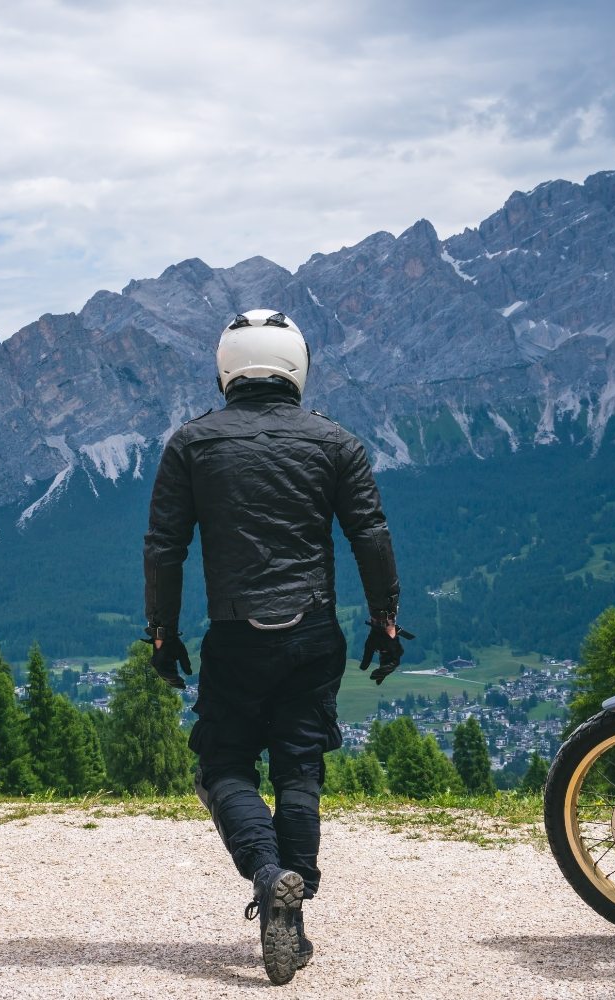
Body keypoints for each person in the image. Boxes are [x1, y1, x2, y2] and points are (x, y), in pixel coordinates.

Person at [143, 308, 409, 985]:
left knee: (221, 765)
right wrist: (385, 621)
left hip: (235, 634)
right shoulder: (335, 442)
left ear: (226, 368)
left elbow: (165, 549)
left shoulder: (191, 444)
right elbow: (370, 535)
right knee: (299, 767)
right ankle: (294, 895)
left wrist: (162, 635)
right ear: (297, 366)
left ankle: (268, 877)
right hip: (313, 631)